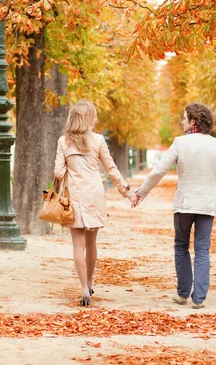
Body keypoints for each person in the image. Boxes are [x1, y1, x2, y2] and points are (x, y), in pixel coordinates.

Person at [133, 102, 216, 309]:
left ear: (193, 121)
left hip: (184, 204)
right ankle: (198, 298)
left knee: (181, 246)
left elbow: (159, 170)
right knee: (202, 249)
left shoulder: (180, 143)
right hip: (207, 205)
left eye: (184, 117)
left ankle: (182, 294)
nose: (182, 121)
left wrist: (142, 192)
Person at [54, 100, 136, 307]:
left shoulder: (64, 142)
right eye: (95, 115)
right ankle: (90, 281)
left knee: (77, 244)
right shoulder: (98, 141)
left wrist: (67, 169)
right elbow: (111, 169)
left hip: (75, 198)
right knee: (91, 244)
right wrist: (127, 192)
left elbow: (58, 173)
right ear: (88, 118)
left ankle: (83, 288)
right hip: (94, 196)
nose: (97, 119)